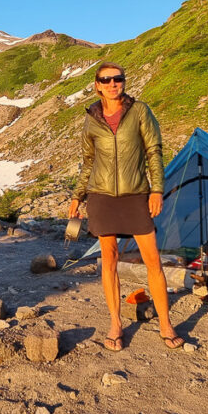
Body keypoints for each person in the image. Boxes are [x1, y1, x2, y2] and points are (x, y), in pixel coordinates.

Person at [68, 62, 185, 351]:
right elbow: (89, 162)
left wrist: (156, 189)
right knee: (109, 261)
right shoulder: (92, 119)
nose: (112, 84)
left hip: (135, 195)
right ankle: (115, 323)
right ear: (97, 85)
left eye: (117, 79)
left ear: (123, 82)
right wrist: (77, 196)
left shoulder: (140, 111)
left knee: (152, 260)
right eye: (105, 80)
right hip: (101, 196)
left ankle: (166, 324)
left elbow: (154, 152)